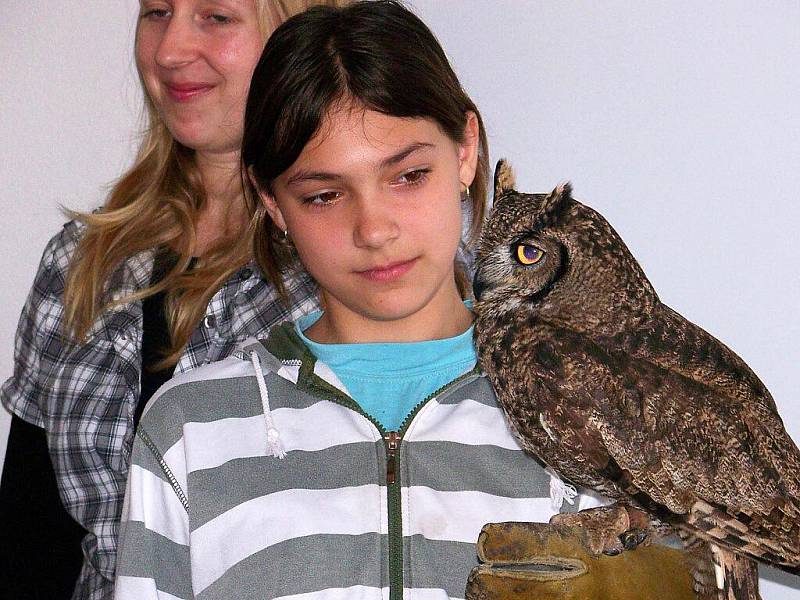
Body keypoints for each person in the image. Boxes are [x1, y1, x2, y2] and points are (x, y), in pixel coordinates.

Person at [114, 2, 596, 598]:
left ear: (465, 151)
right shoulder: (190, 428)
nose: (374, 229)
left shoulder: (590, 409)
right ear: (271, 202)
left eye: (408, 175)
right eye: (323, 195)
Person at [0, 1, 348, 598]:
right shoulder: (83, 263)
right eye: (156, 11)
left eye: (216, 16)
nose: (169, 50)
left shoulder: (362, 269)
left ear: (302, 31)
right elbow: (31, 544)